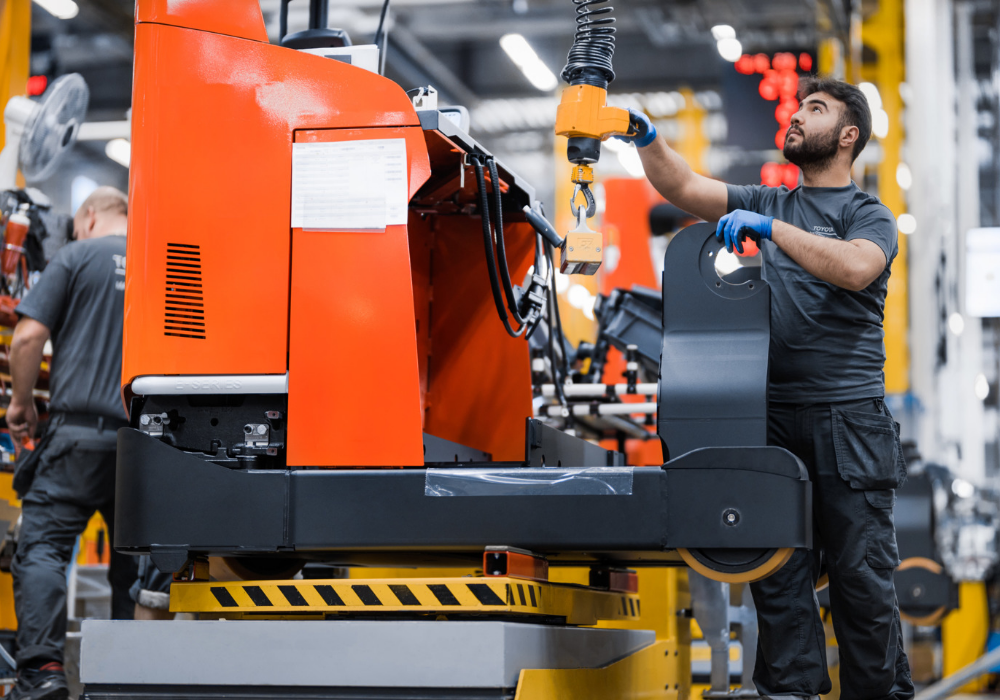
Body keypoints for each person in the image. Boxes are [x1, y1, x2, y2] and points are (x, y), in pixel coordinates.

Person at [617, 77, 912, 700]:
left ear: (848, 135)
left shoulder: (867, 214)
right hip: (768, 419)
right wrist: (648, 140)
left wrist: (771, 230)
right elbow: (684, 187)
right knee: (777, 577)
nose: (798, 116)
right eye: (799, 107)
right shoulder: (765, 199)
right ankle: (793, 691)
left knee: (862, 583)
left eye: (816, 109)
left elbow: (857, 268)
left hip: (847, 422)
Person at [5, 186, 136, 700]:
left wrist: (21, 404)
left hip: (76, 436)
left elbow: (27, 337)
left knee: (42, 548)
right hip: (143, 446)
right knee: (137, 560)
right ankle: (128, 679)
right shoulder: (162, 259)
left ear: (87, 216)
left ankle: (42, 673)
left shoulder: (77, 256)